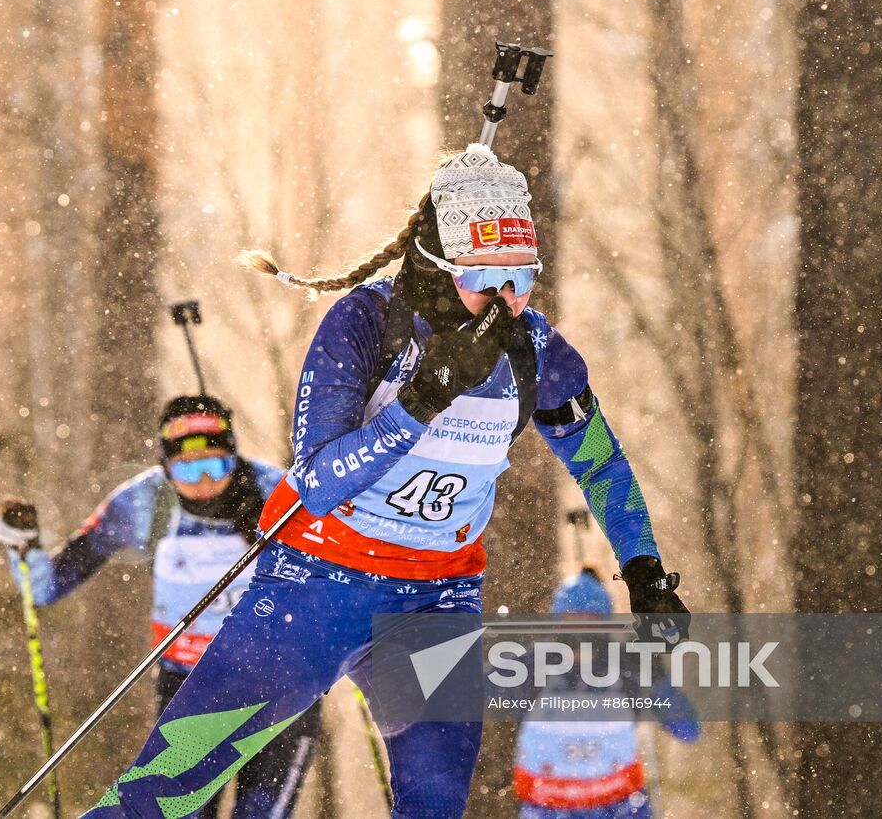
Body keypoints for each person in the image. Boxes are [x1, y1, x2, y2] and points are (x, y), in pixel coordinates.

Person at [84, 144, 689, 818]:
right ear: (437, 265)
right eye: (486, 280)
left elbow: (599, 462)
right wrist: (423, 399)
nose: (507, 300)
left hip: (435, 601)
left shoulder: (533, 347)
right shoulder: (366, 323)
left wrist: (645, 572)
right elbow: (316, 482)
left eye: (523, 277)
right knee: (162, 792)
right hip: (316, 585)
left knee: (432, 806)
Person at [0, 394, 321, 819]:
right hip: (191, 688)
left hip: (280, 684)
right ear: (166, 466)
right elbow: (47, 587)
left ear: (234, 454)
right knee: (181, 813)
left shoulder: (277, 492)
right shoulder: (143, 503)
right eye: (187, 468)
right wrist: (23, 546)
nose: (203, 480)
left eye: (216, 465)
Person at [513, 569, 699, 819]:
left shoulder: (628, 663)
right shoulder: (530, 667)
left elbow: (688, 729)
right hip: (549, 807)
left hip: (619, 806)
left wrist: (659, 682)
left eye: (588, 619)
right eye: (570, 620)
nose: (579, 632)